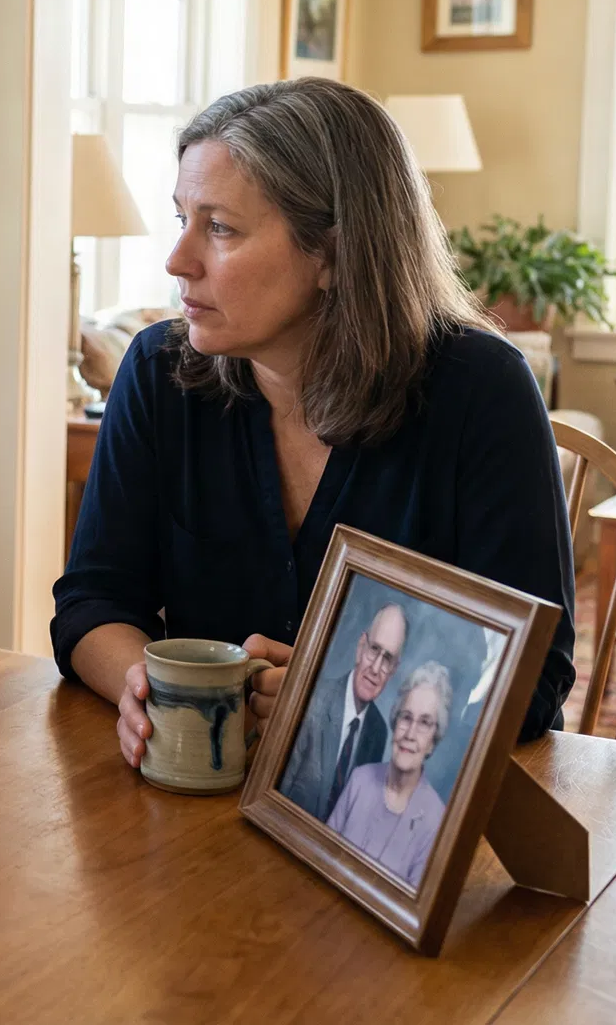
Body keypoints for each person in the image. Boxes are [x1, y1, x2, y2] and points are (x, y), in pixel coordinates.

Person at [51, 77, 576, 768]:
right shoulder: (158, 373)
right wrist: (153, 692)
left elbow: (533, 679)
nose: (178, 261)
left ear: (331, 253)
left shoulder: (483, 392)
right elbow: (94, 601)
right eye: (184, 220)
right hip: (205, 794)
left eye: (220, 228)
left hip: (402, 816)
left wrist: (340, 697)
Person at [328, 662, 454, 886]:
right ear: (395, 723)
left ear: (433, 741)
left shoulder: (436, 821)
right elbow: (321, 853)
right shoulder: (360, 779)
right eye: (406, 717)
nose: (411, 733)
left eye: (425, 723)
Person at [279, 603, 406, 821]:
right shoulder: (314, 699)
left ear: (394, 669)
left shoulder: (378, 731)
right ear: (360, 647)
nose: (375, 668)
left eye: (387, 659)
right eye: (374, 649)